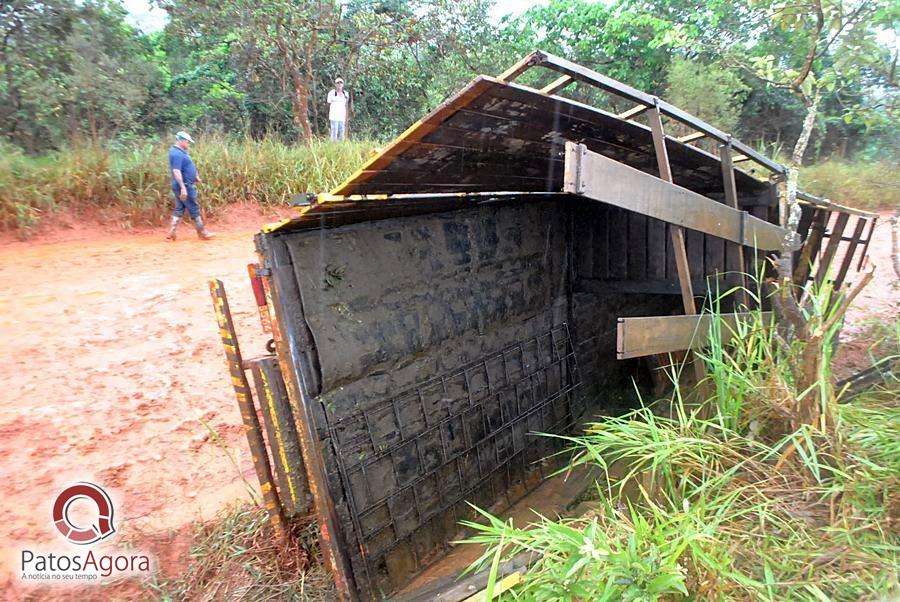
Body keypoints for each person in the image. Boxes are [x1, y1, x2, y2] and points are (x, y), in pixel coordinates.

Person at [165, 131, 214, 240]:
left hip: (184, 185)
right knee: (194, 208)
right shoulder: (176, 153)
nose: (189, 144)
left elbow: (184, 168)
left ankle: (172, 230)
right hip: (185, 186)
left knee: (180, 207)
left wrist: (195, 176)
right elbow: (176, 171)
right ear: (181, 141)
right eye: (187, 142)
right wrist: (183, 187)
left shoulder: (178, 152)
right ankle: (203, 233)